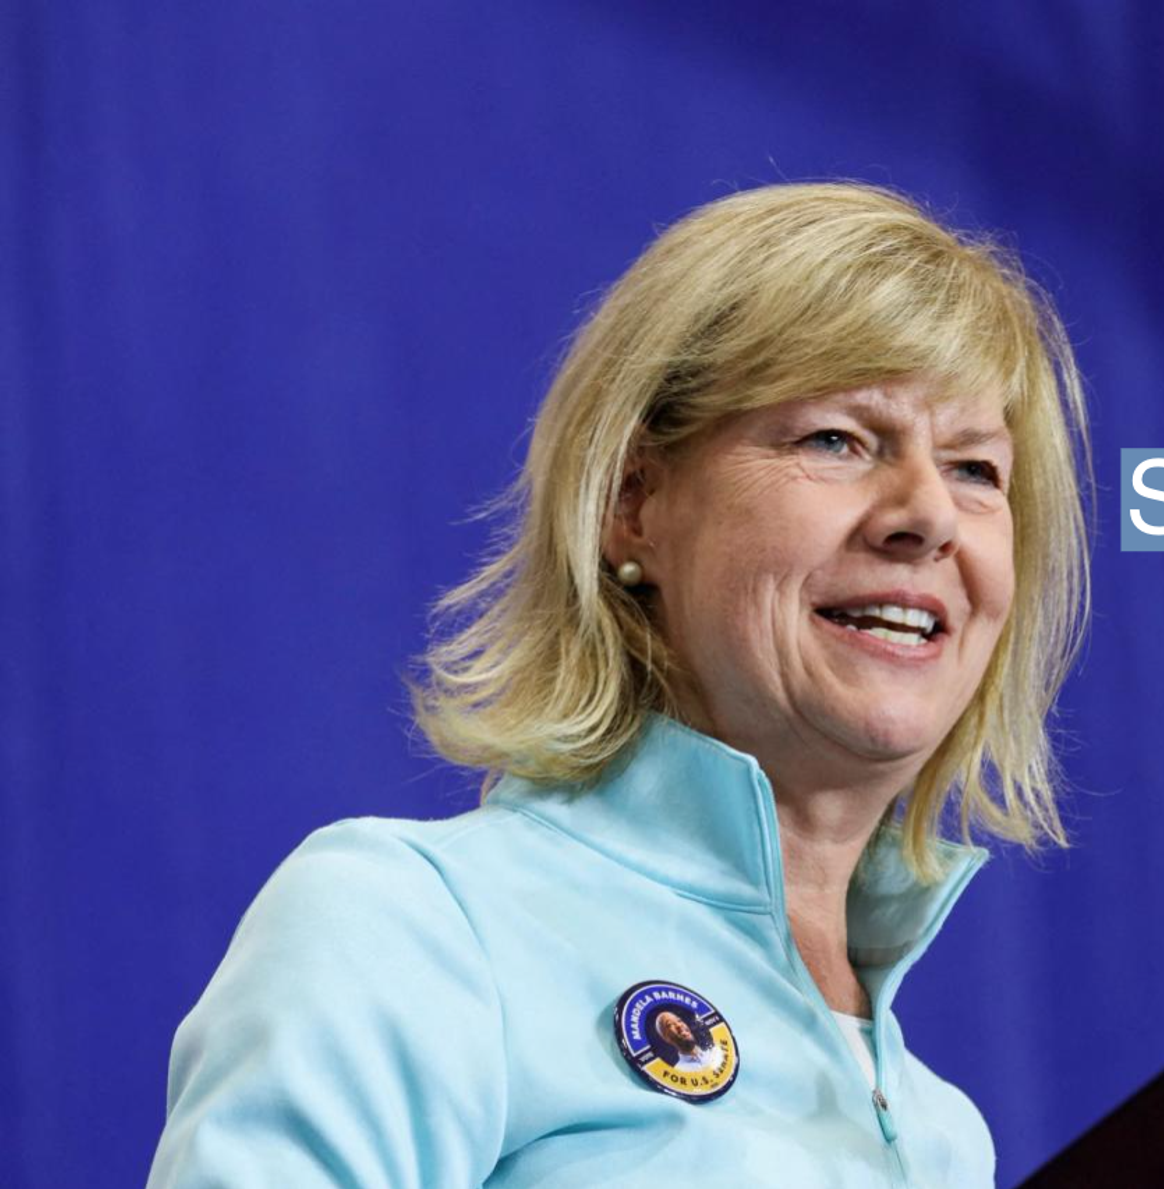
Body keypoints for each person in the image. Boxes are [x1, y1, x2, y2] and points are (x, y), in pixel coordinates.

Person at [148, 181, 1091, 1187]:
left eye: (976, 469)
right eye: (838, 440)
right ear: (635, 504)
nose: (928, 515)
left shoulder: (947, 1136)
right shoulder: (416, 927)